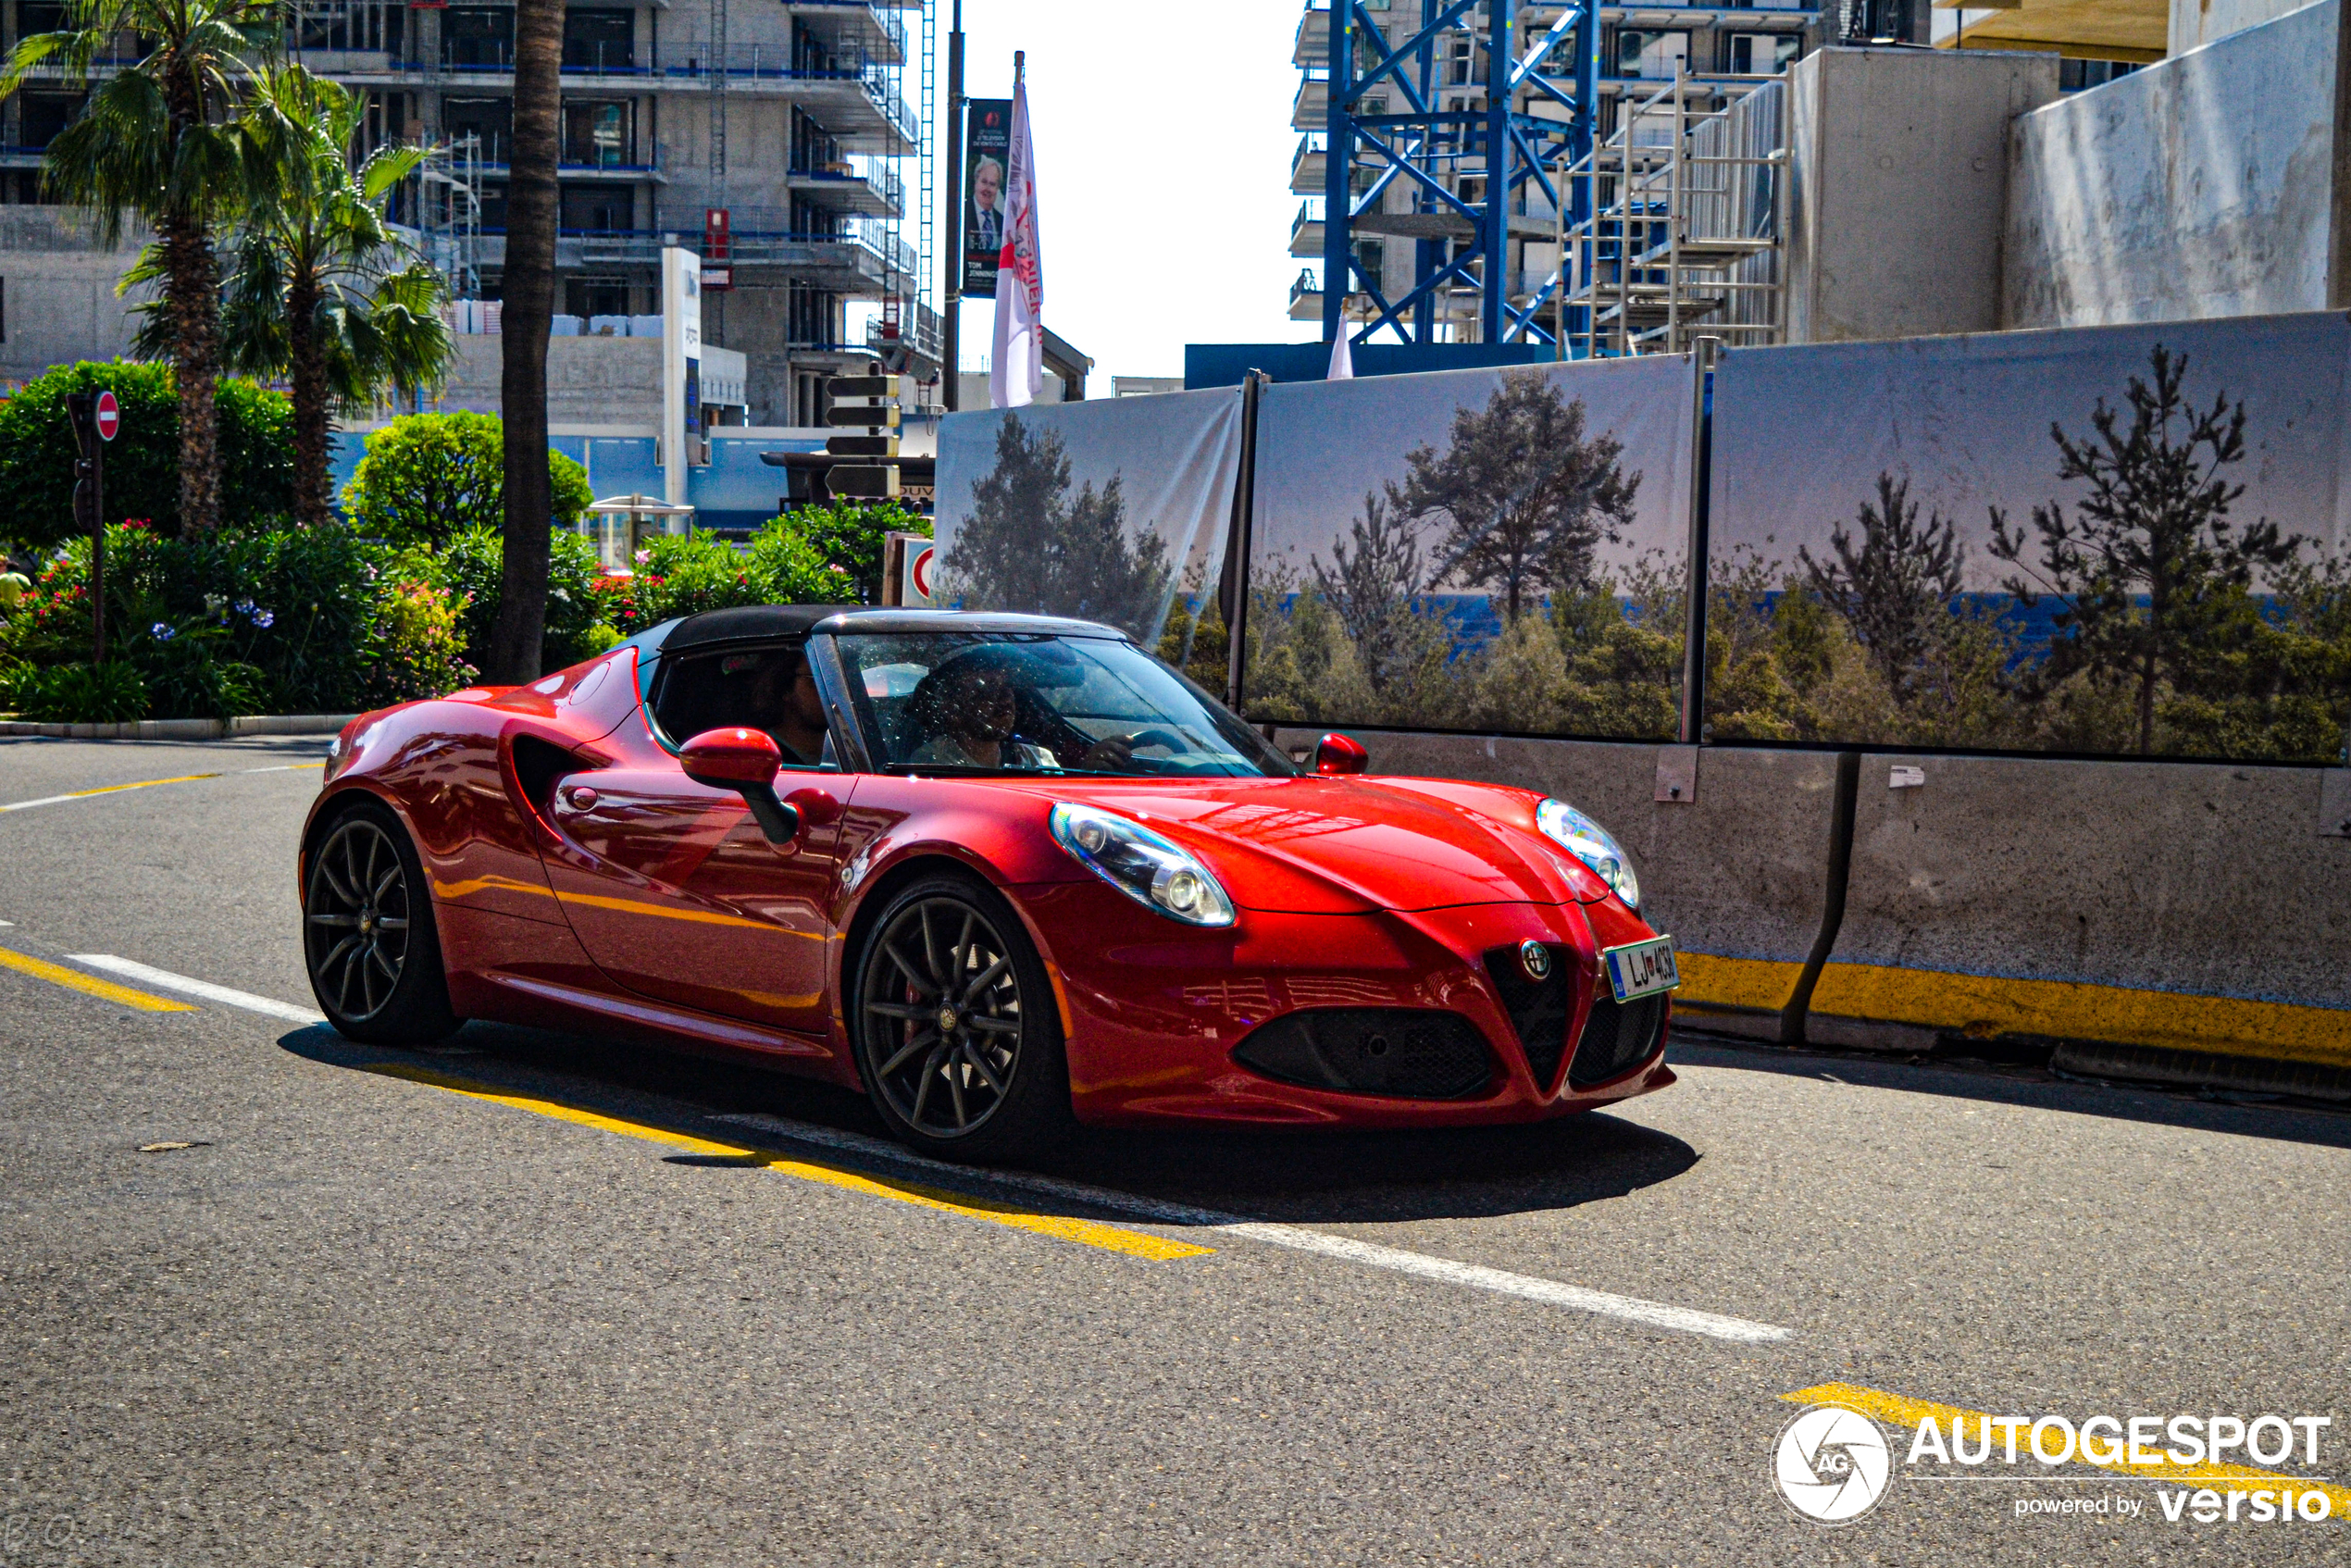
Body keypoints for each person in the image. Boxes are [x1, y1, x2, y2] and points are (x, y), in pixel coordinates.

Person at [746, 647, 831, 765]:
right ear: (784, 688)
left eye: (834, 680)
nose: (830, 691)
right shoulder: (761, 758)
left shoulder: (855, 749)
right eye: (815, 680)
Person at [969, 156, 1004, 255]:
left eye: (992, 184)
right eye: (984, 182)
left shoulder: (1002, 221)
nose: (987, 189)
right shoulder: (962, 213)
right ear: (976, 181)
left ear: (997, 188)